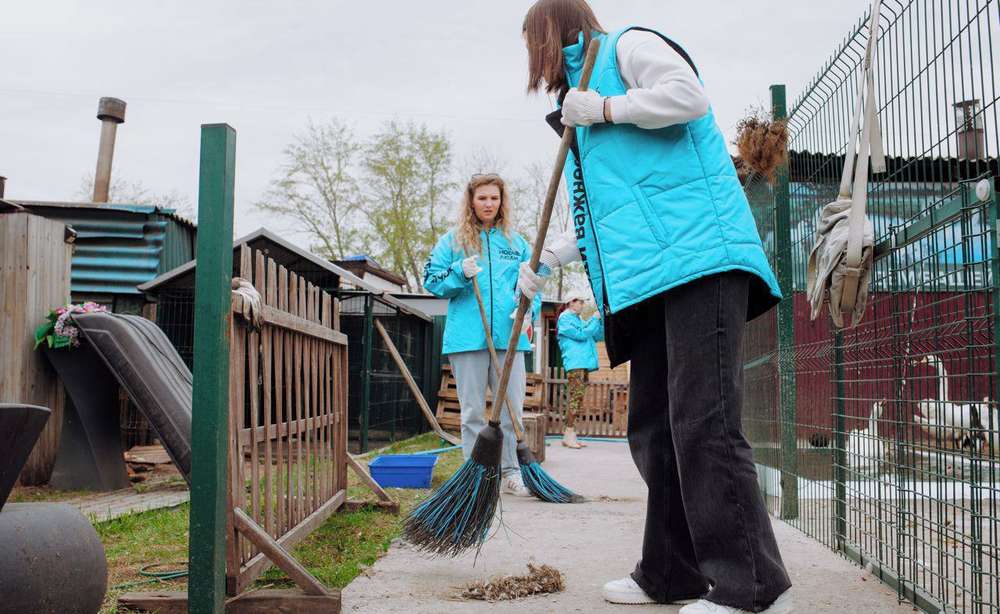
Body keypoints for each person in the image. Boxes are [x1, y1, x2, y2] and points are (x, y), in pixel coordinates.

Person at [517, 1, 793, 612]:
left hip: (700, 260)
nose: (530, 58)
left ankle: (754, 587)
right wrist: (547, 262)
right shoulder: (578, 104)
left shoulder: (624, 48)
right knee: (653, 428)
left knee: (704, 421)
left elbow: (687, 96)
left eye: (530, 41)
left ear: (550, 30)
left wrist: (609, 108)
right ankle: (670, 572)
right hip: (648, 280)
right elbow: (604, 216)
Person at [423, 173, 541, 498]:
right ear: (471, 201)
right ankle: (474, 477)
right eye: (482, 198)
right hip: (467, 339)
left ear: (502, 201)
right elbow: (431, 281)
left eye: (494, 198)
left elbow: (534, 280)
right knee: (473, 411)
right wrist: (460, 272)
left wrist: (527, 307)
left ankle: (510, 473)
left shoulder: (516, 243)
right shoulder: (453, 241)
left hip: (510, 338)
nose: (489, 203)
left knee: (510, 411)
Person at [556, 290, 603, 448]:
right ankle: (568, 435)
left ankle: (570, 435)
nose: (582, 305)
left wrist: (598, 320)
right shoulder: (565, 319)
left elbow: (593, 334)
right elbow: (582, 334)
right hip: (575, 363)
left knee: (578, 399)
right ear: (571, 302)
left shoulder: (577, 319)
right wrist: (595, 319)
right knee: (575, 399)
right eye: (580, 301)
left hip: (581, 363)